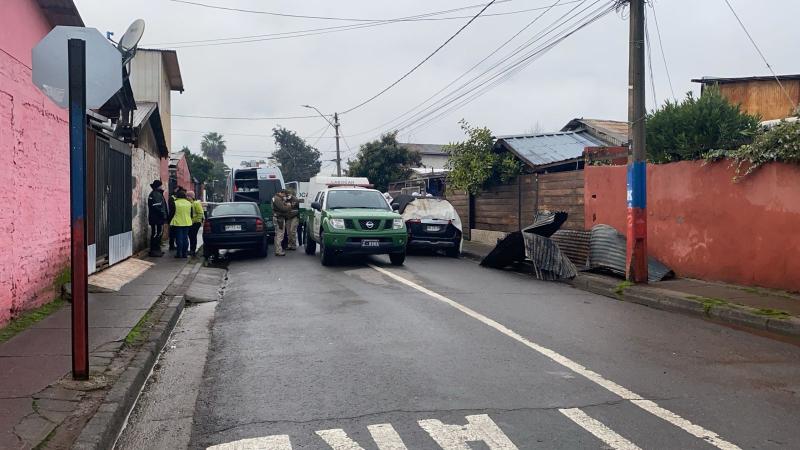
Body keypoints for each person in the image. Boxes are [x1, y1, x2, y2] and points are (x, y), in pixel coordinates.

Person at [272, 188, 298, 256]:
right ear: (282, 193)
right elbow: (283, 209)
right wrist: (288, 206)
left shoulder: (275, 198)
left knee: (277, 234)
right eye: (285, 195)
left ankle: (278, 250)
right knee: (280, 234)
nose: (285, 196)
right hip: (279, 218)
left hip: (277, 217)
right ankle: (279, 251)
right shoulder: (278, 199)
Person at [147, 180, 168, 257]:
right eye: (161, 185)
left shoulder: (157, 193)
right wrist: (163, 215)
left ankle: (157, 249)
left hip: (156, 218)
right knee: (156, 234)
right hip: (156, 218)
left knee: (158, 233)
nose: (162, 187)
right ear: (158, 186)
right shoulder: (156, 194)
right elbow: (158, 206)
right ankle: (154, 250)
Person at [170, 190, 193, 258]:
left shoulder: (175, 203)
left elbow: (172, 213)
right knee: (185, 238)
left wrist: (169, 221)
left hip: (177, 223)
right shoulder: (189, 203)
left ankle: (179, 253)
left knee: (179, 238)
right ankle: (185, 253)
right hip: (187, 222)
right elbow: (191, 214)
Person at [187, 191, 204, 257]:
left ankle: (193, 250)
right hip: (191, 222)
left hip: (196, 223)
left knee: (193, 236)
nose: (187, 197)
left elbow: (200, 213)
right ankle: (192, 249)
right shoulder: (190, 203)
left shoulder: (196, 203)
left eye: (188, 196)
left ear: (191, 196)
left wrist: (194, 221)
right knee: (191, 236)